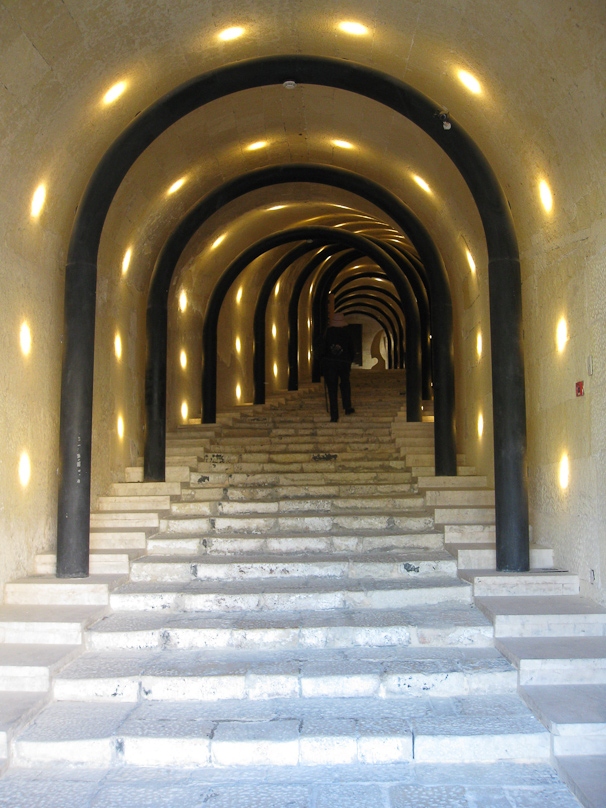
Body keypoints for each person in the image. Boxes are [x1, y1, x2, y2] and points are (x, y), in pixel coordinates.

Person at [321, 301, 355, 422]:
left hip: (330, 363)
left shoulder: (328, 333)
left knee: (332, 388)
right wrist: (350, 360)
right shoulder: (347, 332)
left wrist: (323, 363)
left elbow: (323, 349)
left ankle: (334, 415)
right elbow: (351, 348)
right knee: (345, 384)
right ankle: (347, 406)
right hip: (344, 362)